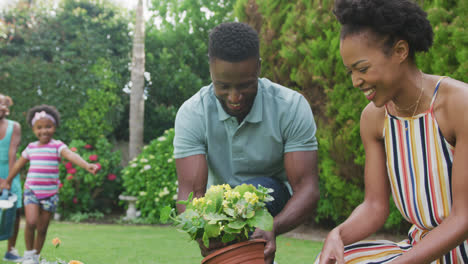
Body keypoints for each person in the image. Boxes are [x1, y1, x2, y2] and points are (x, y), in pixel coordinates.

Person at [316, 0, 468, 263]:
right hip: (418, 248)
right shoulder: (374, 119)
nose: (355, 81)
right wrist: (337, 235)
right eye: (350, 71)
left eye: (362, 69)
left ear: (400, 51)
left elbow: (463, 217)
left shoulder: (458, 105)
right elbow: (375, 207)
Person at [174, 22, 320, 264]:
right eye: (223, 86)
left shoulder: (290, 106)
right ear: (210, 69)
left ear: (259, 67)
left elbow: (308, 189)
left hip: (273, 197)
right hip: (217, 208)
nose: (234, 97)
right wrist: (203, 233)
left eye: (244, 85)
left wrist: (272, 226)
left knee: (255, 193)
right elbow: (190, 194)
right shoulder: (193, 113)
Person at [1, 105, 99, 264]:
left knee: (42, 228)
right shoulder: (31, 148)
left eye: (48, 126)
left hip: (50, 194)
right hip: (32, 191)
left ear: (54, 127)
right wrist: (8, 181)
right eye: (39, 128)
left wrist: (86, 165)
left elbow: (71, 155)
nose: (44, 131)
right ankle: (28, 254)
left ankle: (36, 257)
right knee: (31, 222)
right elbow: (18, 165)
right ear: (33, 130)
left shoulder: (57, 146)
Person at [0, 94, 24, 262]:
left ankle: (11, 250)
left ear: (6, 108)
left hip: (10, 171)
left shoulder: (14, 126)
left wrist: (7, 180)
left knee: (14, 210)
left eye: (2, 103)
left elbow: (12, 153)